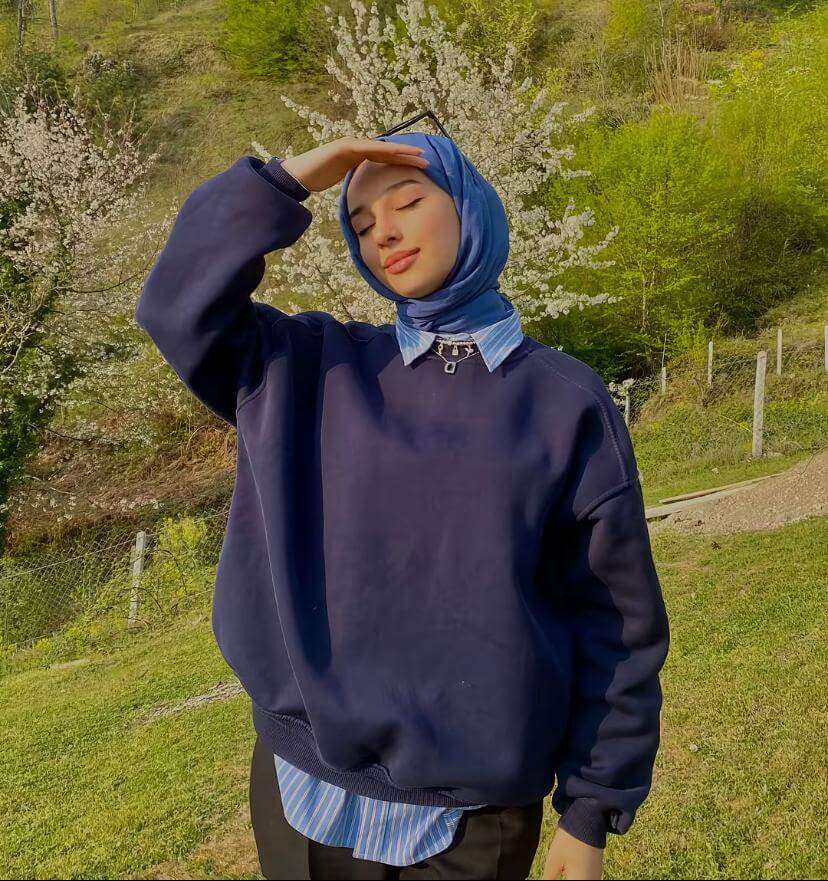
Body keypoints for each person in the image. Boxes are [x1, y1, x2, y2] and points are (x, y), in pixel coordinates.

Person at [134, 134, 671, 880]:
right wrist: (285, 181)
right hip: (299, 790)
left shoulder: (563, 401)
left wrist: (591, 812)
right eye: (359, 224)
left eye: (408, 202)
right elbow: (176, 305)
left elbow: (615, 617)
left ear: (470, 208)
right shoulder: (306, 366)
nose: (382, 232)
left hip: (472, 821)